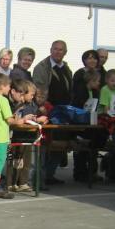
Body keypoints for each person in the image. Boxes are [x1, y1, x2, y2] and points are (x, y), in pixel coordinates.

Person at [32, 40, 73, 185]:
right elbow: (39, 91)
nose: (57, 52)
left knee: (61, 145)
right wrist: (43, 108)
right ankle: (40, 178)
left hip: (64, 113)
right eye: (55, 49)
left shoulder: (66, 69)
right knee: (45, 146)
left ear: (65, 52)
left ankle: (50, 174)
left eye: (61, 49)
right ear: (50, 50)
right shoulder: (42, 67)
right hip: (48, 111)